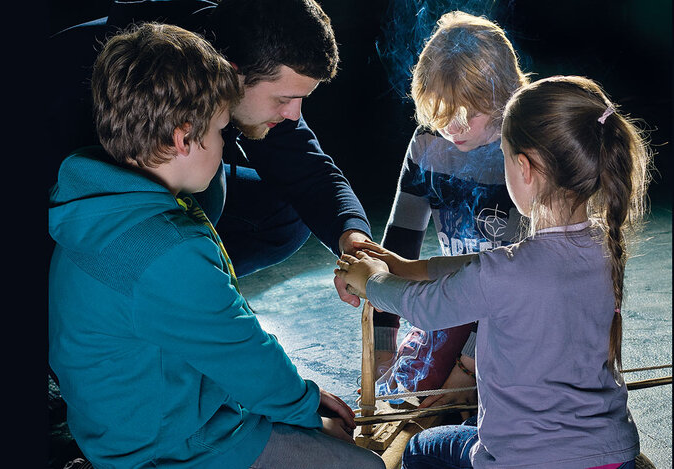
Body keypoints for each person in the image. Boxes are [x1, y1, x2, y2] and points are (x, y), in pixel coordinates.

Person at [48, 23, 384, 469]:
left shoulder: (88, 208)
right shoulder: (169, 253)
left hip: (122, 426)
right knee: (365, 466)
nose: (227, 144)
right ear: (183, 137)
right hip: (174, 446)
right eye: (222, 131)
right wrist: (305, 407)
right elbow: (243, 350)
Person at [335, 74, 649, 468]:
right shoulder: (605, 248)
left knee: (419, 449)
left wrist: (371, 280)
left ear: (524, 167)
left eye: (502, 156)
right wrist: (407, 265)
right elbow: (483, 268)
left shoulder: (504, 273)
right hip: (613, 454)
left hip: (522, 461)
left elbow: (424, 307)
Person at [47, 0, 373, 287]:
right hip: (57, 190)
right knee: (208, 188)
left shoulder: (245, 49)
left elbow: (308, 170)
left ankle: (195, 289)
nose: (292, 116)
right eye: (284, 99)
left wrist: (356, 242)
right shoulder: (114, 87)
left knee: (284, 212)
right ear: (232, 75)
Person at [363, 11, 528, 408]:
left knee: (457, 404)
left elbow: (515, 287)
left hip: (515, 313)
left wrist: (467, 370)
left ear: (502, 95)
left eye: (468, 115)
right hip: (457, 300)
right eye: (440, 114)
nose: (452, 129)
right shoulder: (427, 145)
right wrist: (383, 348)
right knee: (406, 390)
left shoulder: (525, 156)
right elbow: (397, 251)